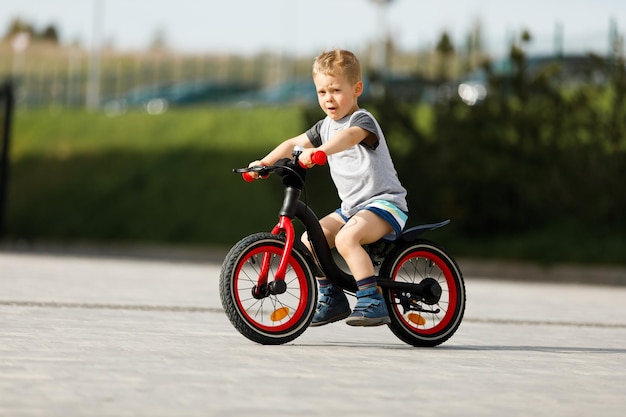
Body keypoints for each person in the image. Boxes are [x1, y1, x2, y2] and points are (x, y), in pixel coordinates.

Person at [248, 49, 408, 327]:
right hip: (351, 208)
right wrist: (264, 162)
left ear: (357, 89)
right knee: (310, 241)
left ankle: (372, 299)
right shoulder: (325, 126)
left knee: (346, 239)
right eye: (321, 92)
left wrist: (320, 151)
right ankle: (332, 297)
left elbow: (348, 138)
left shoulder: (362, 120)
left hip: (384, 204)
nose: (328, 98)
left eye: (335, 90)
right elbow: (291, 143)